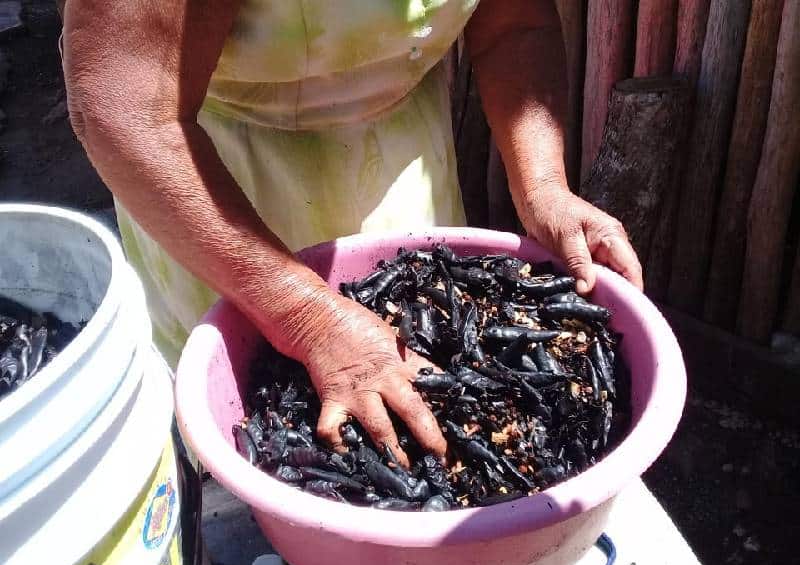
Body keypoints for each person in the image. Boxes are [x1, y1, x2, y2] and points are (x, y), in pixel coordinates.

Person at [60, 0, 642, 466]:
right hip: (212, 203)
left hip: (403, 164)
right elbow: (121, 110)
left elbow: (515, 22)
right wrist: (307, 315)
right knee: (257, 438)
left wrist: (542, 187)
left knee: (435, 402)